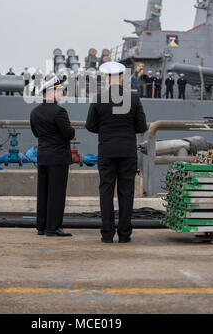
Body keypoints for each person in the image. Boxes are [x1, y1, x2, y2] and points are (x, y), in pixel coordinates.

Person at [86, 61, 148, 244]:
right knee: (126, 192)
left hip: (106, 150)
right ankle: (124, 235)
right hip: (127, 151)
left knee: (106, 190)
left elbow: (90, 125)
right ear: (122, 78)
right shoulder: (134, 99)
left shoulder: (98, 98)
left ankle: (106, 234)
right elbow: (141, 126)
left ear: (107, 79)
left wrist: (105, 132)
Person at [30, 76, 75, 237]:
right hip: (58, 158)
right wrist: (72, 132)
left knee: (43, 192)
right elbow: (68, 133)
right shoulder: (59, 111)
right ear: (51, 92)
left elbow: (36, 133)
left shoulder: (35, 112)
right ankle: (53, 227)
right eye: (60, 91)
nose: (61, 94)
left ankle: (41, 226)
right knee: (56, 193)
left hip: (42, 156)